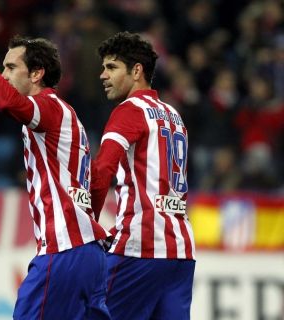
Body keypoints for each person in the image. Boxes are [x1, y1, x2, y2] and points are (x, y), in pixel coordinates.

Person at [0, 3, 111, 319]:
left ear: (36, 74)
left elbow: (6, 101)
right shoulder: (68, 116)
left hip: (63, 252)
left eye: (10, 67)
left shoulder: (46, 108)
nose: (3, 74)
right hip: (91, 254)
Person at [90, 31, 196, 320]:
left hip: (140, 248)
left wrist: (87, 227)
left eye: (111, 67)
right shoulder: (174, 115)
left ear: (137, 71)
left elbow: (101, 171)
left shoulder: (129, 111)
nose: (103, 75)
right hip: (181, 251)